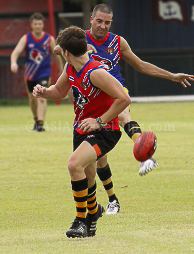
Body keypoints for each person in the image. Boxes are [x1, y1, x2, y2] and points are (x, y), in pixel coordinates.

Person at [54, 4, 194, 215]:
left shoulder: (117, 42)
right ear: (91, 19)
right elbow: (58, 48)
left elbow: (141, 65)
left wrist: (172, 76)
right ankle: (111, 200)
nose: (102, 25)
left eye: (107, 22)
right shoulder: (80, 38)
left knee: (122, 112)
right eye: (99, 21)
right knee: (97, 160)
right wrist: (82, 50)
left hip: (115, 93)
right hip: (90, 103)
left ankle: (144, 154)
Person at [32, 26, 131, 238]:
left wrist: (99, 121)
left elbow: (124, 99)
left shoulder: (95, 72)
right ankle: (94, 214)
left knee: (74, 164)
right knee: (87, 177)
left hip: (105, 130)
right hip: (81, 128)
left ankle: (80, 221)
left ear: (66, 52)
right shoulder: (70, 68)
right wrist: (44, 91)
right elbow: (58, 91)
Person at [10, 12, 63, 131]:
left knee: (42, 96)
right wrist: (13, 63)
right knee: (32, 99)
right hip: (29, 74)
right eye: (35, 24)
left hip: (44, 73)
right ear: (31, 25)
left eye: (40, 24)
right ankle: (36, 119)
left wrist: (61, 70)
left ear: (43, 25)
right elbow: (16, 52)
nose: (38, 26)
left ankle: (40, 124)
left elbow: (57, 56)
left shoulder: (49, 39)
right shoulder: (26, 38)